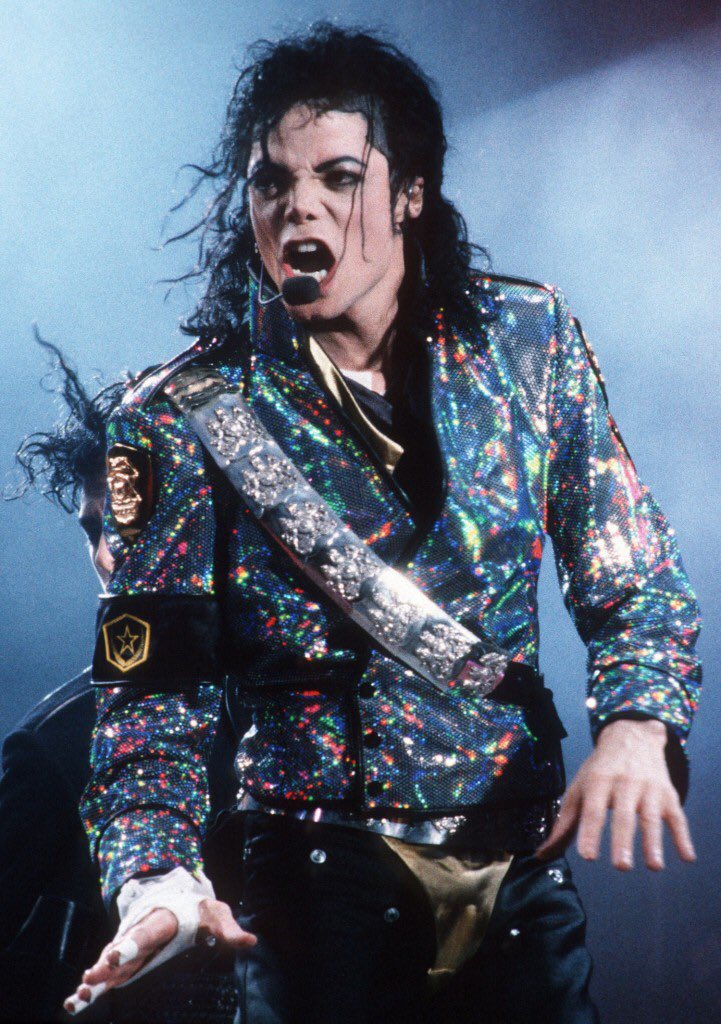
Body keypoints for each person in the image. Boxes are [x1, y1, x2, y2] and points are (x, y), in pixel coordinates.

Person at [67, 24, 701, 1024]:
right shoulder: (179, 417)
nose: (299, 206)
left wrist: (636, 721)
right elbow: (149, 699)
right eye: (271, 182)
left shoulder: (528, 344)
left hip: (517, 866)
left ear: (409, 193)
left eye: (339, 177)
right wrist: (157, 881)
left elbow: (637, 578)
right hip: (313, 885)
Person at [3, 342, 240, 1022]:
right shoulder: (58, 744)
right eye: (94, 530)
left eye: (136, 525)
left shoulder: (323, 704)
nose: (110, 555)